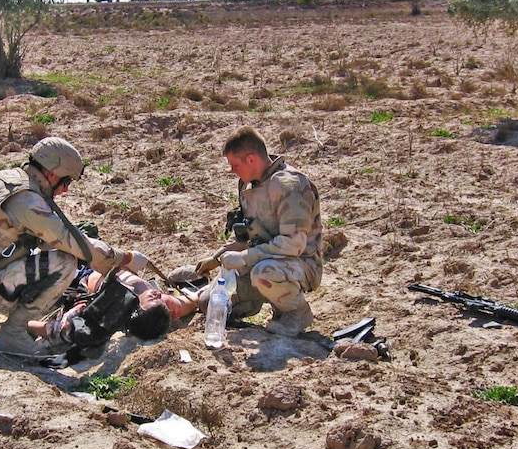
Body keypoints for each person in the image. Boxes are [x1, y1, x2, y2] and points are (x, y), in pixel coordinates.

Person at [0, 137, 151, 354]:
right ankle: (13, 332)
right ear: (51, 174)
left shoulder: (4, 179)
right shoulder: (28, 200)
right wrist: (126, 258)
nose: (65, 190)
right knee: (65, 263)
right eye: (66, 182)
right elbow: (81, 247)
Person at [193, 126, 322, 337]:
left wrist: (245, 258)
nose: (232, 171)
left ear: (251, 159)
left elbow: (293, 244)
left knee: (264, 272)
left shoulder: (290, 186)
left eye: (235, 165)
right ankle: (269, 302)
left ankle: (297, 313)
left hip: (300, 265)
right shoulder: (248, 186)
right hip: (262, 261)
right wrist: (217, 259)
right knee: (210, 303)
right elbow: (248, 235)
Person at [28, 266, 198, 348]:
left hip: (77, 276)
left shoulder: (106, 314)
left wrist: (19, 327)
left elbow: (60, 330)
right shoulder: (164, 308)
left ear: (140, 310)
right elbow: (193, 301)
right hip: (100, 261)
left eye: (154, 299)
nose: (158, 294)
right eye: (160, 299)